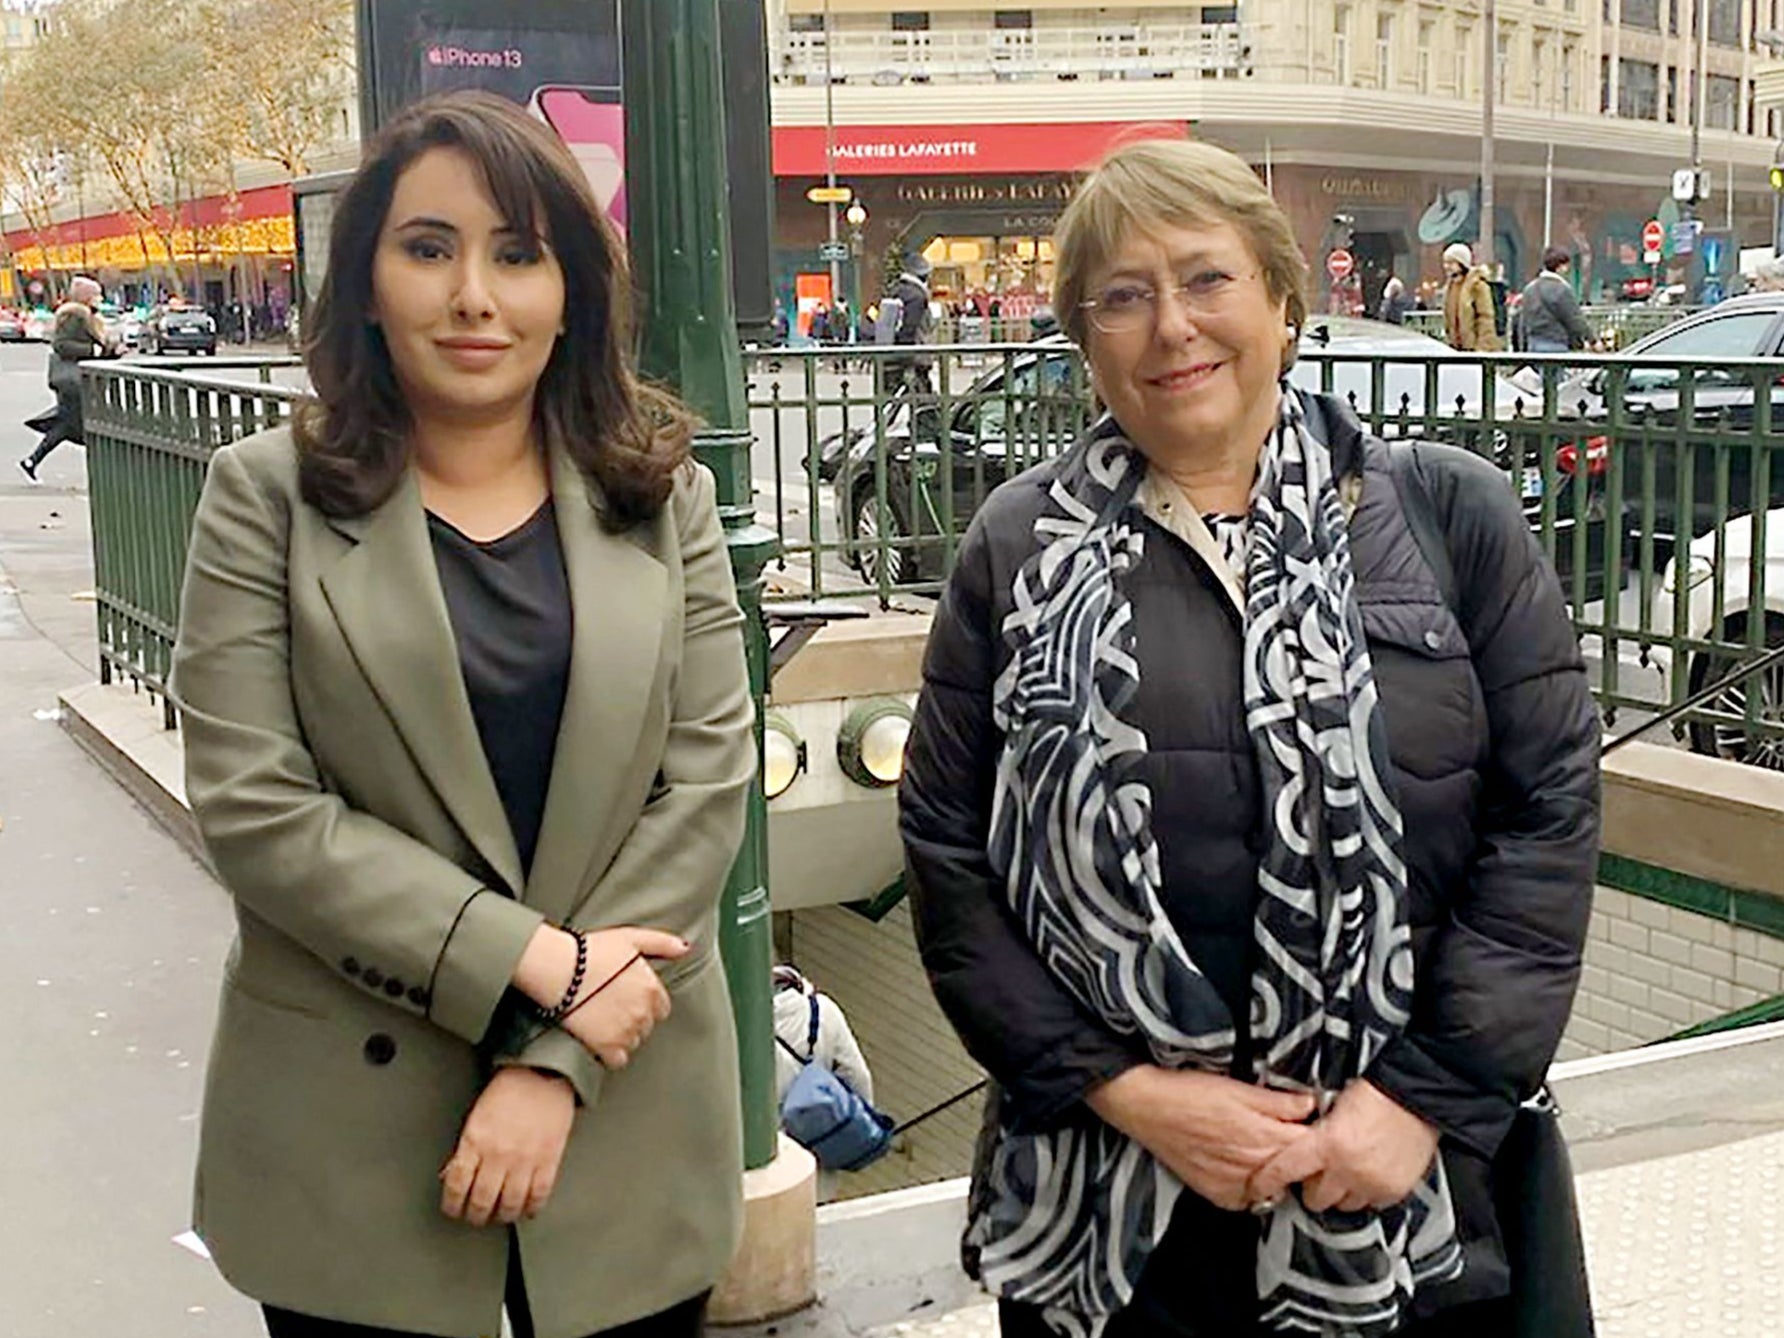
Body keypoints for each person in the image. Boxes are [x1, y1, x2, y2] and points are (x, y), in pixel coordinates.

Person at [900, 137, 1598, 1338]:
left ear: (1281, 298)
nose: (1170, 326)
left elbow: (1545, 821)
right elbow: (947, 858)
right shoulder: (1014, 549)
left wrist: (1419, 1100)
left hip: (1405, 1205)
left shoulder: (1444, 515)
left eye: (1205, 279)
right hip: (1113, 1227)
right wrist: (1128, 1093)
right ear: (1083, 336)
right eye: (1121, 296)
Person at [170, 91, 755, 1338]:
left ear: (572, 291)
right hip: (349, 1130)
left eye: (518, 253)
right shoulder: (261, 499)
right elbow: (254, 808)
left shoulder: (663, 498)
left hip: (623, 1113)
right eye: (429, 249)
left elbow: (704, 789)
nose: (473, 296)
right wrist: (538, 964)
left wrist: (553, 1061)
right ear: (368, 281)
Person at [19, 275, 119, 481]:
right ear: (85, 297)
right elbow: (63, 345)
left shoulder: (86, 315)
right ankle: (103, 470)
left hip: (77, 381)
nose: (100, 299)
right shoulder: (75, 315)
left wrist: (111, 351)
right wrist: (95, 350)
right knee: (80, 425)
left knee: (69, 425)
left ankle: (32, 460)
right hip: (73, 382)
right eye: (96, 295)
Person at [1516, 248, 1599, 354]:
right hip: (1556, 343)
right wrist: (1592, 340)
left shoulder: (1529, 289)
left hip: (1533, 343)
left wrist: (1522, 347)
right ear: (1559, 267)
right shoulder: (1562, 289)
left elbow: (1523, 320)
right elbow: (1574, 319)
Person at [882, 252, 936, 394]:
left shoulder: (896, 290)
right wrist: (908, 358)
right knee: (922, 401)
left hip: (892, 356)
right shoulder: (917, 296)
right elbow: (910, 329)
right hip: (914, 359)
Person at [1440, 242, 1500, 351]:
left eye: (1451, 263)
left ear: (1462, 263)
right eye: (1445, 263)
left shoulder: (1477, 286)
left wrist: (1482, 347)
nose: (1446, 267)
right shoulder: (1449, 287)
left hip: (1474, 348)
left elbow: (1485, 318)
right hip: (1455, 348)